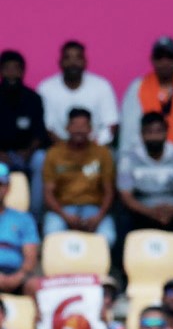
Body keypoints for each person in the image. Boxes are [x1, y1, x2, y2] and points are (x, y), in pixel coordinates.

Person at [116, 112, 173, 253]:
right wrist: (151, 212)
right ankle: (123, 265)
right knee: (123, 218)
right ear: (142, 134)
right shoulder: (129, 159)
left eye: (158, 131)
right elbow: (126, 196)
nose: (154, 137)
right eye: (149, 132)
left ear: (166, 132)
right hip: (142, 210)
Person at [42, 109, 116, 245]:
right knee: (52, 234)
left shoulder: (102, 153)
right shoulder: (54, 153)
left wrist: (99, 216)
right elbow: (48, 193)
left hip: (94, 208)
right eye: (75, 125)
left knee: (108, 237)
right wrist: (65, 216)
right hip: (63, 208)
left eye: (83, 126)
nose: (79, 130)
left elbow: (109, 191)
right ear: (67, 128)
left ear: (90, 129)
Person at [120, 37, 173, 150]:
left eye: (170, 57)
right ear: (152, 59)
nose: (164, 62)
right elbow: (129, 132)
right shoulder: (137, 88)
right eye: (159, 57)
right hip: (146, 157)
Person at [37, 41, 119, 147]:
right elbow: (46, 127)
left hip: (96, 148)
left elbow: (111, 123)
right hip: (58, 149)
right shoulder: (46, 88)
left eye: (78, 58)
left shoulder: (102, 86)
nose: (73, 63)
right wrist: (66, 150)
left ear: (85, 62)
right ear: (60, 62)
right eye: (68, 58)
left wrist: (91, 149)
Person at [0, 50, 49, 215]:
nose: (11, 73)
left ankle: (35, 216)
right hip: (1, 157)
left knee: (41, 160)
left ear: (22, 71)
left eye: (16, 69)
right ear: (1, 71)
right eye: (7, 68)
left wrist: (28, 152)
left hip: (27, 154)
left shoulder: (33, 98)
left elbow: (40, 132)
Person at [0, 164, 39, 295]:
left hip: (16, 274)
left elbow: (30, 258)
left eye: (0, 184)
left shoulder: (24, 219)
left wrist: (18, 277)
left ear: (8, 187)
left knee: (35, 285)